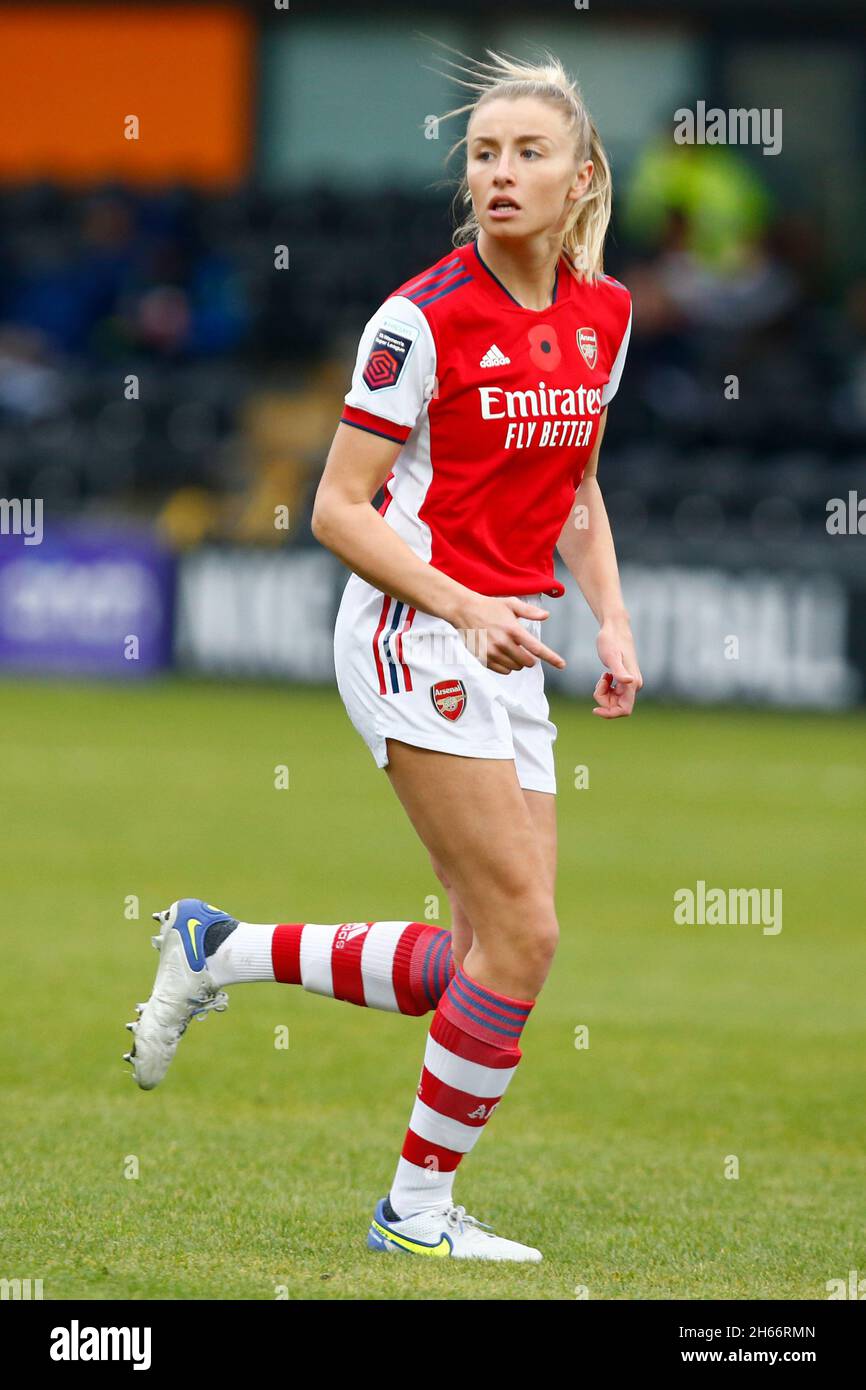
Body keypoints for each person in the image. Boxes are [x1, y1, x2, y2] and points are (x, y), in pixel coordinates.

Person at [123, 46, 642, 1263]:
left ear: (579, 179)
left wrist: (609, 619)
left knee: (482, 956)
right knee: (524, 937)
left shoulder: (601, 316)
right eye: (481, 154)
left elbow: (577, 487)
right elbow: (339, 511)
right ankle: (411, 1216)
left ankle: (218, 948)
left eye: (527, 153)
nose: (499, 174)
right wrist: (462, 603)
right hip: (415, 627)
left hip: (509, 634)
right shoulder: (420, 318)